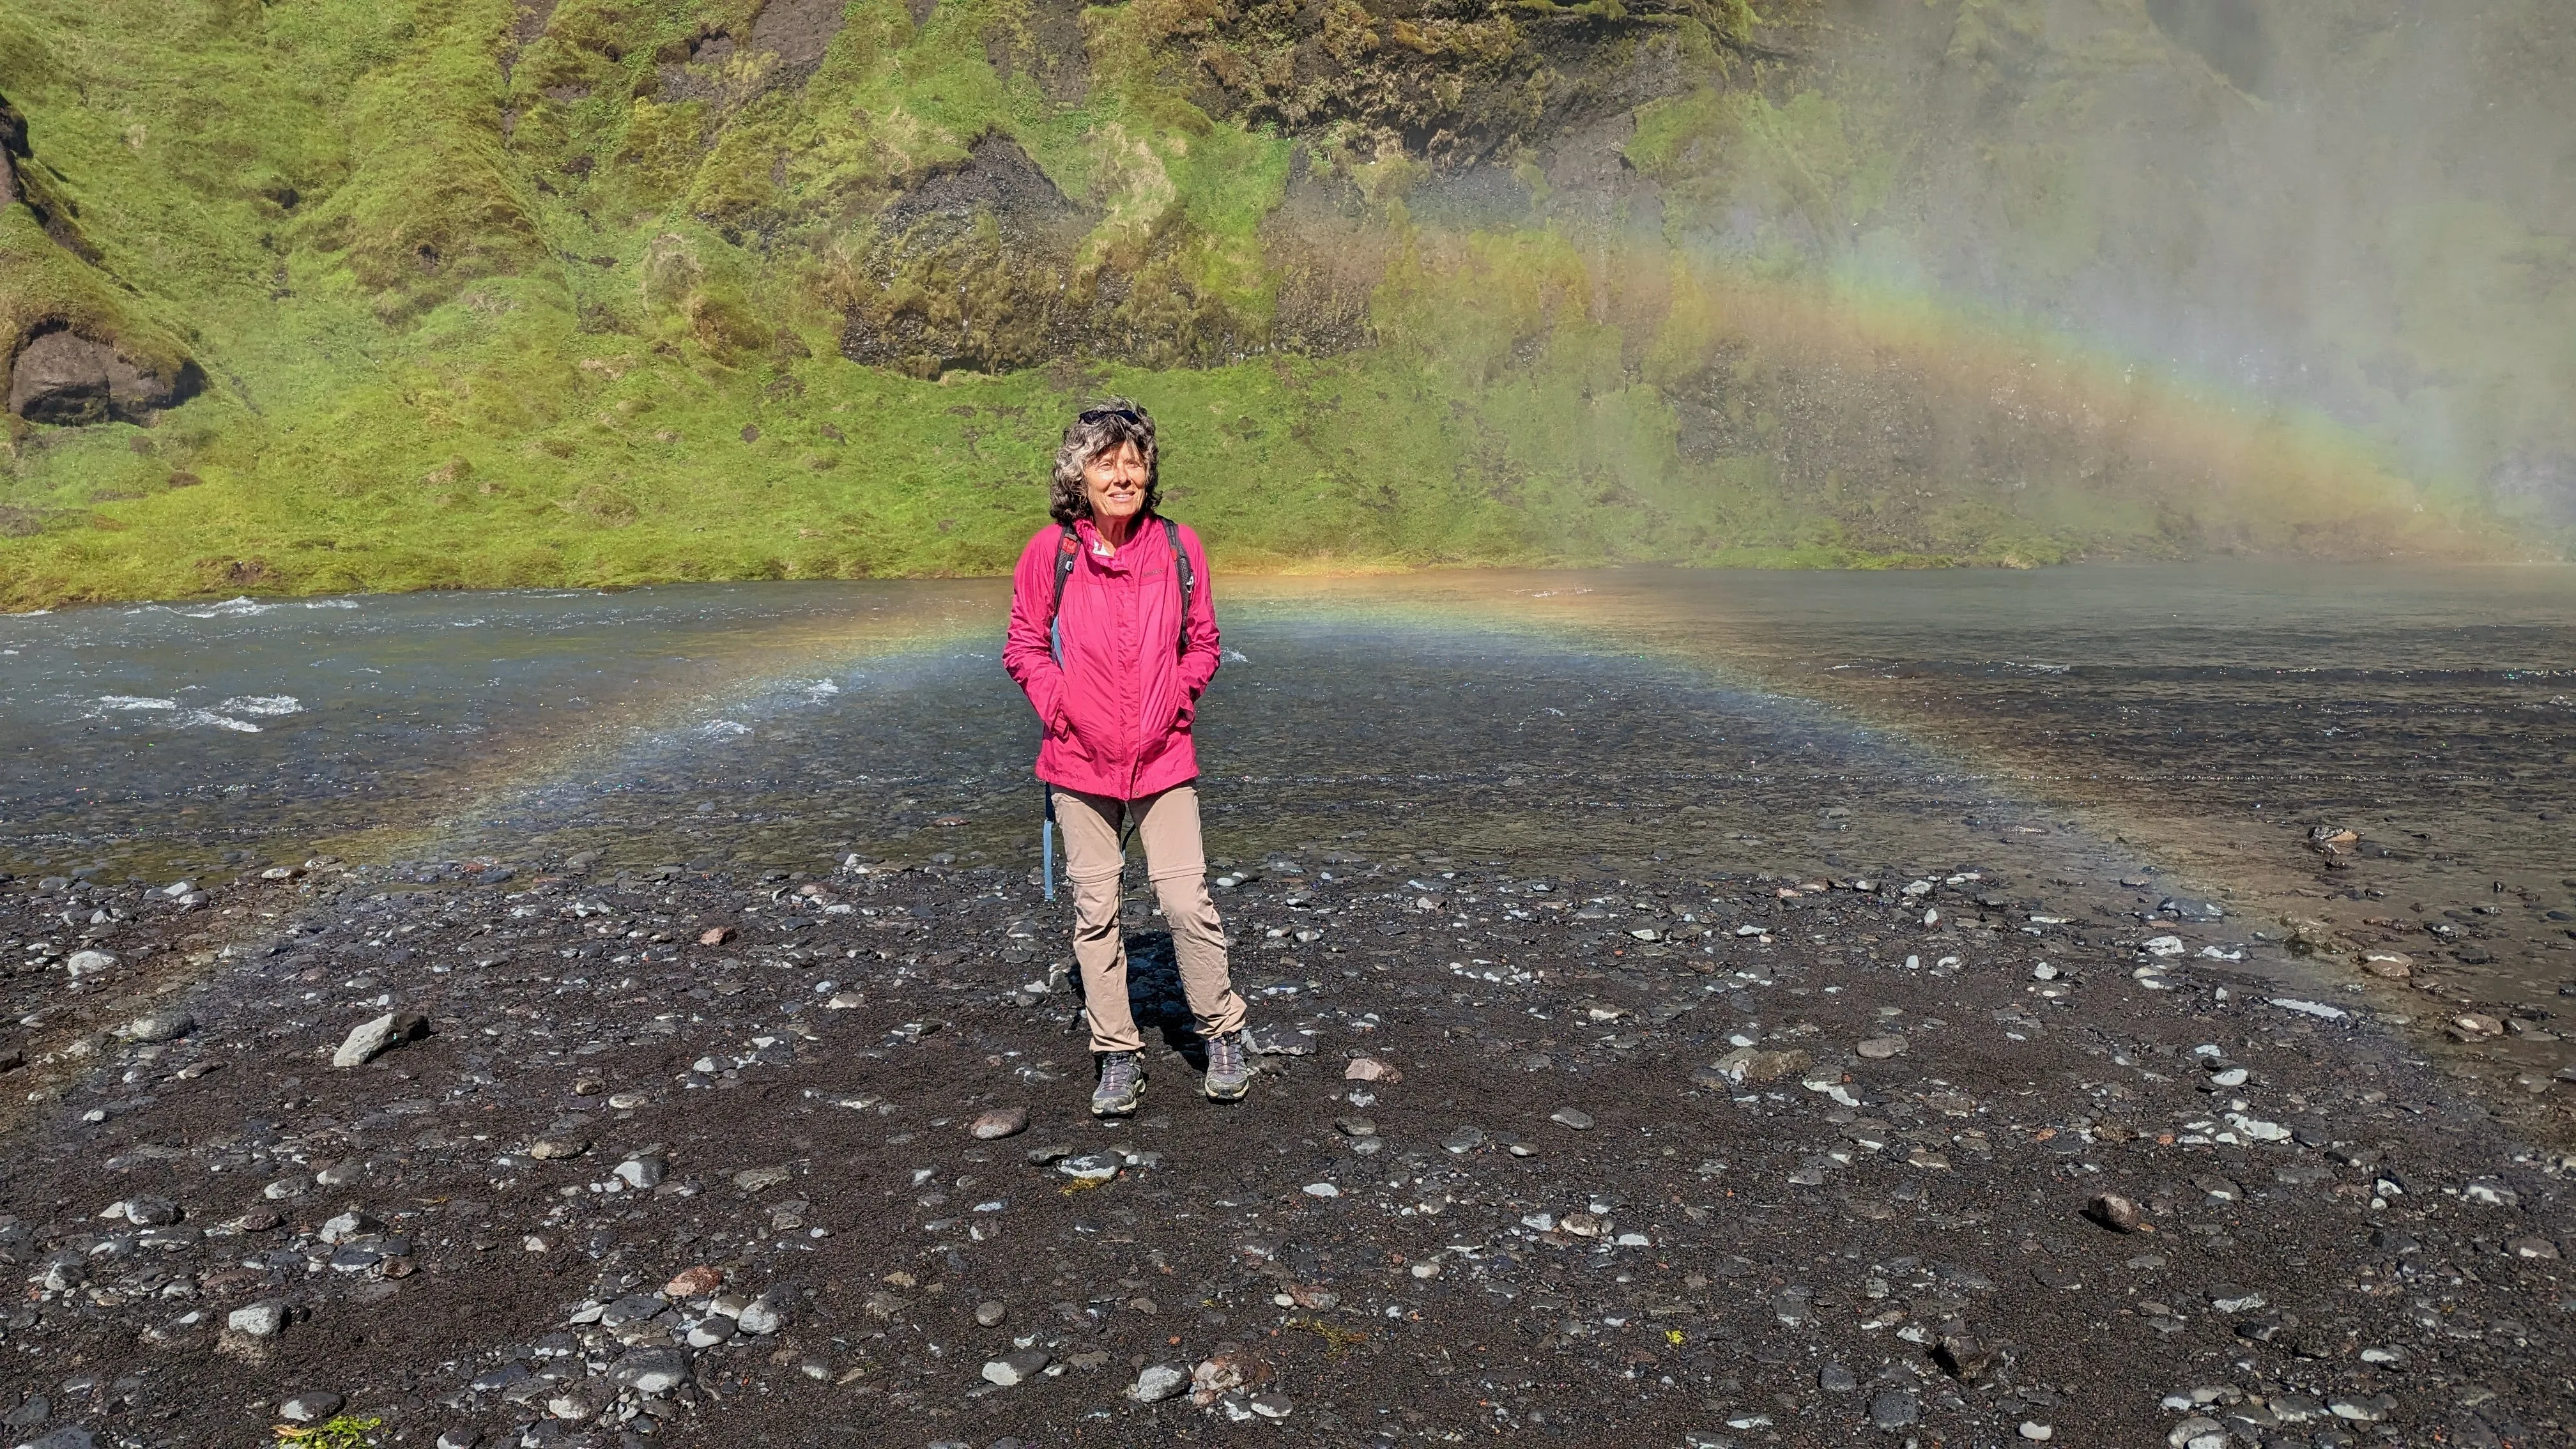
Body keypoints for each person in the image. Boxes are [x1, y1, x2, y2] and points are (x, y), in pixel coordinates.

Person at [1002, 400, 1252, 1116]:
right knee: (1096, 907)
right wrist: (1060, 706)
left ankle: (1223, 1036)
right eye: (1107, 462)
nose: (1123, 475)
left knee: (1183, 901)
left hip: (1164, 755)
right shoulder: (1050, 554)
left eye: (1134, 461)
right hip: (1078, 763)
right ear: (1078, 474)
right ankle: (1117, 1053)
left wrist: (1179, 695)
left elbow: (1203, 642)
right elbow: (1022, 646)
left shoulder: (1180, 548)